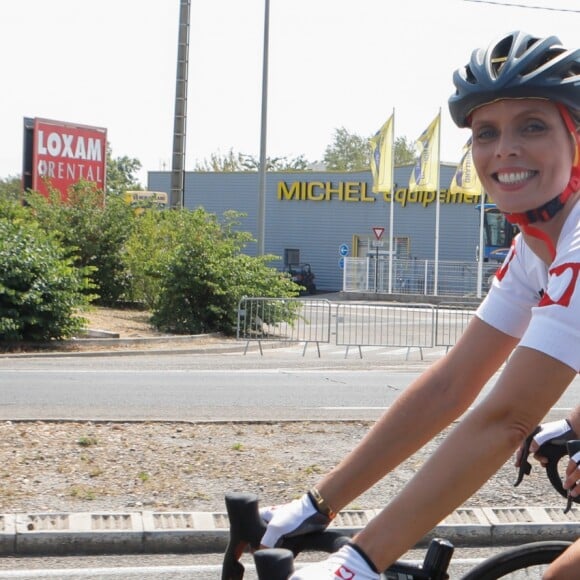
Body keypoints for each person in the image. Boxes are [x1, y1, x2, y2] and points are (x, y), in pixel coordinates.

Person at [259, 30, 580, 579]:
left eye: (533, 125)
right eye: (486, 131)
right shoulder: (535, 248)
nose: (505, 148)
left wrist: (358, 560)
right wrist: (315, 506)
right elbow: (451, 385)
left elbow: (506, 418)